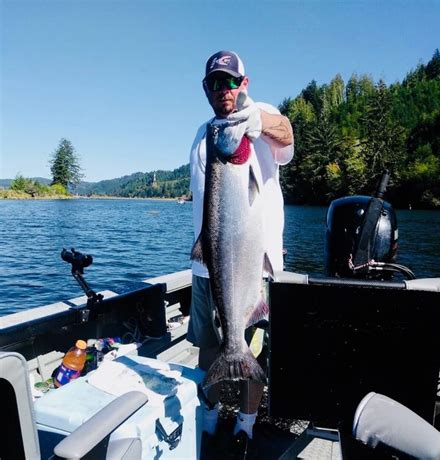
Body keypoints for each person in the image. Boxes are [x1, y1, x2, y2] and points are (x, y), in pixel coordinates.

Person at [188, 50, 294, 453]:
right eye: (215, 82)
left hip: (255, 266)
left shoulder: (262, 113)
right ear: (206, 89)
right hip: (207, 267)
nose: (223, 89)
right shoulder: (203, 134)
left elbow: (286, 134)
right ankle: (211, 418)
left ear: (244, 84)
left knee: (253, 347)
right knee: (208, 348)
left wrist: (259, 123)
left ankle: (246, 426)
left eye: (230, 81)